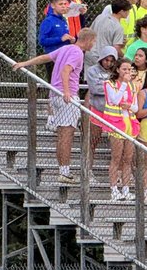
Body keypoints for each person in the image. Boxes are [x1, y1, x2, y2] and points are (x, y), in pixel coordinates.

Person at [12, 27, 98, 185]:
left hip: (54, 96)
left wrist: (25, 63)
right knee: (67, 134)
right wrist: (66, 92)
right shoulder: (77, 52)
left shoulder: (65, 48)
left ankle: (63, 170)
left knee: (62, 134)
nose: (93, 45)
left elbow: (45, 57)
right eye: (93, 41)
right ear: (88, 40)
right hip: (66, 97)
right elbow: (66, 71)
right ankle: (64, 172)